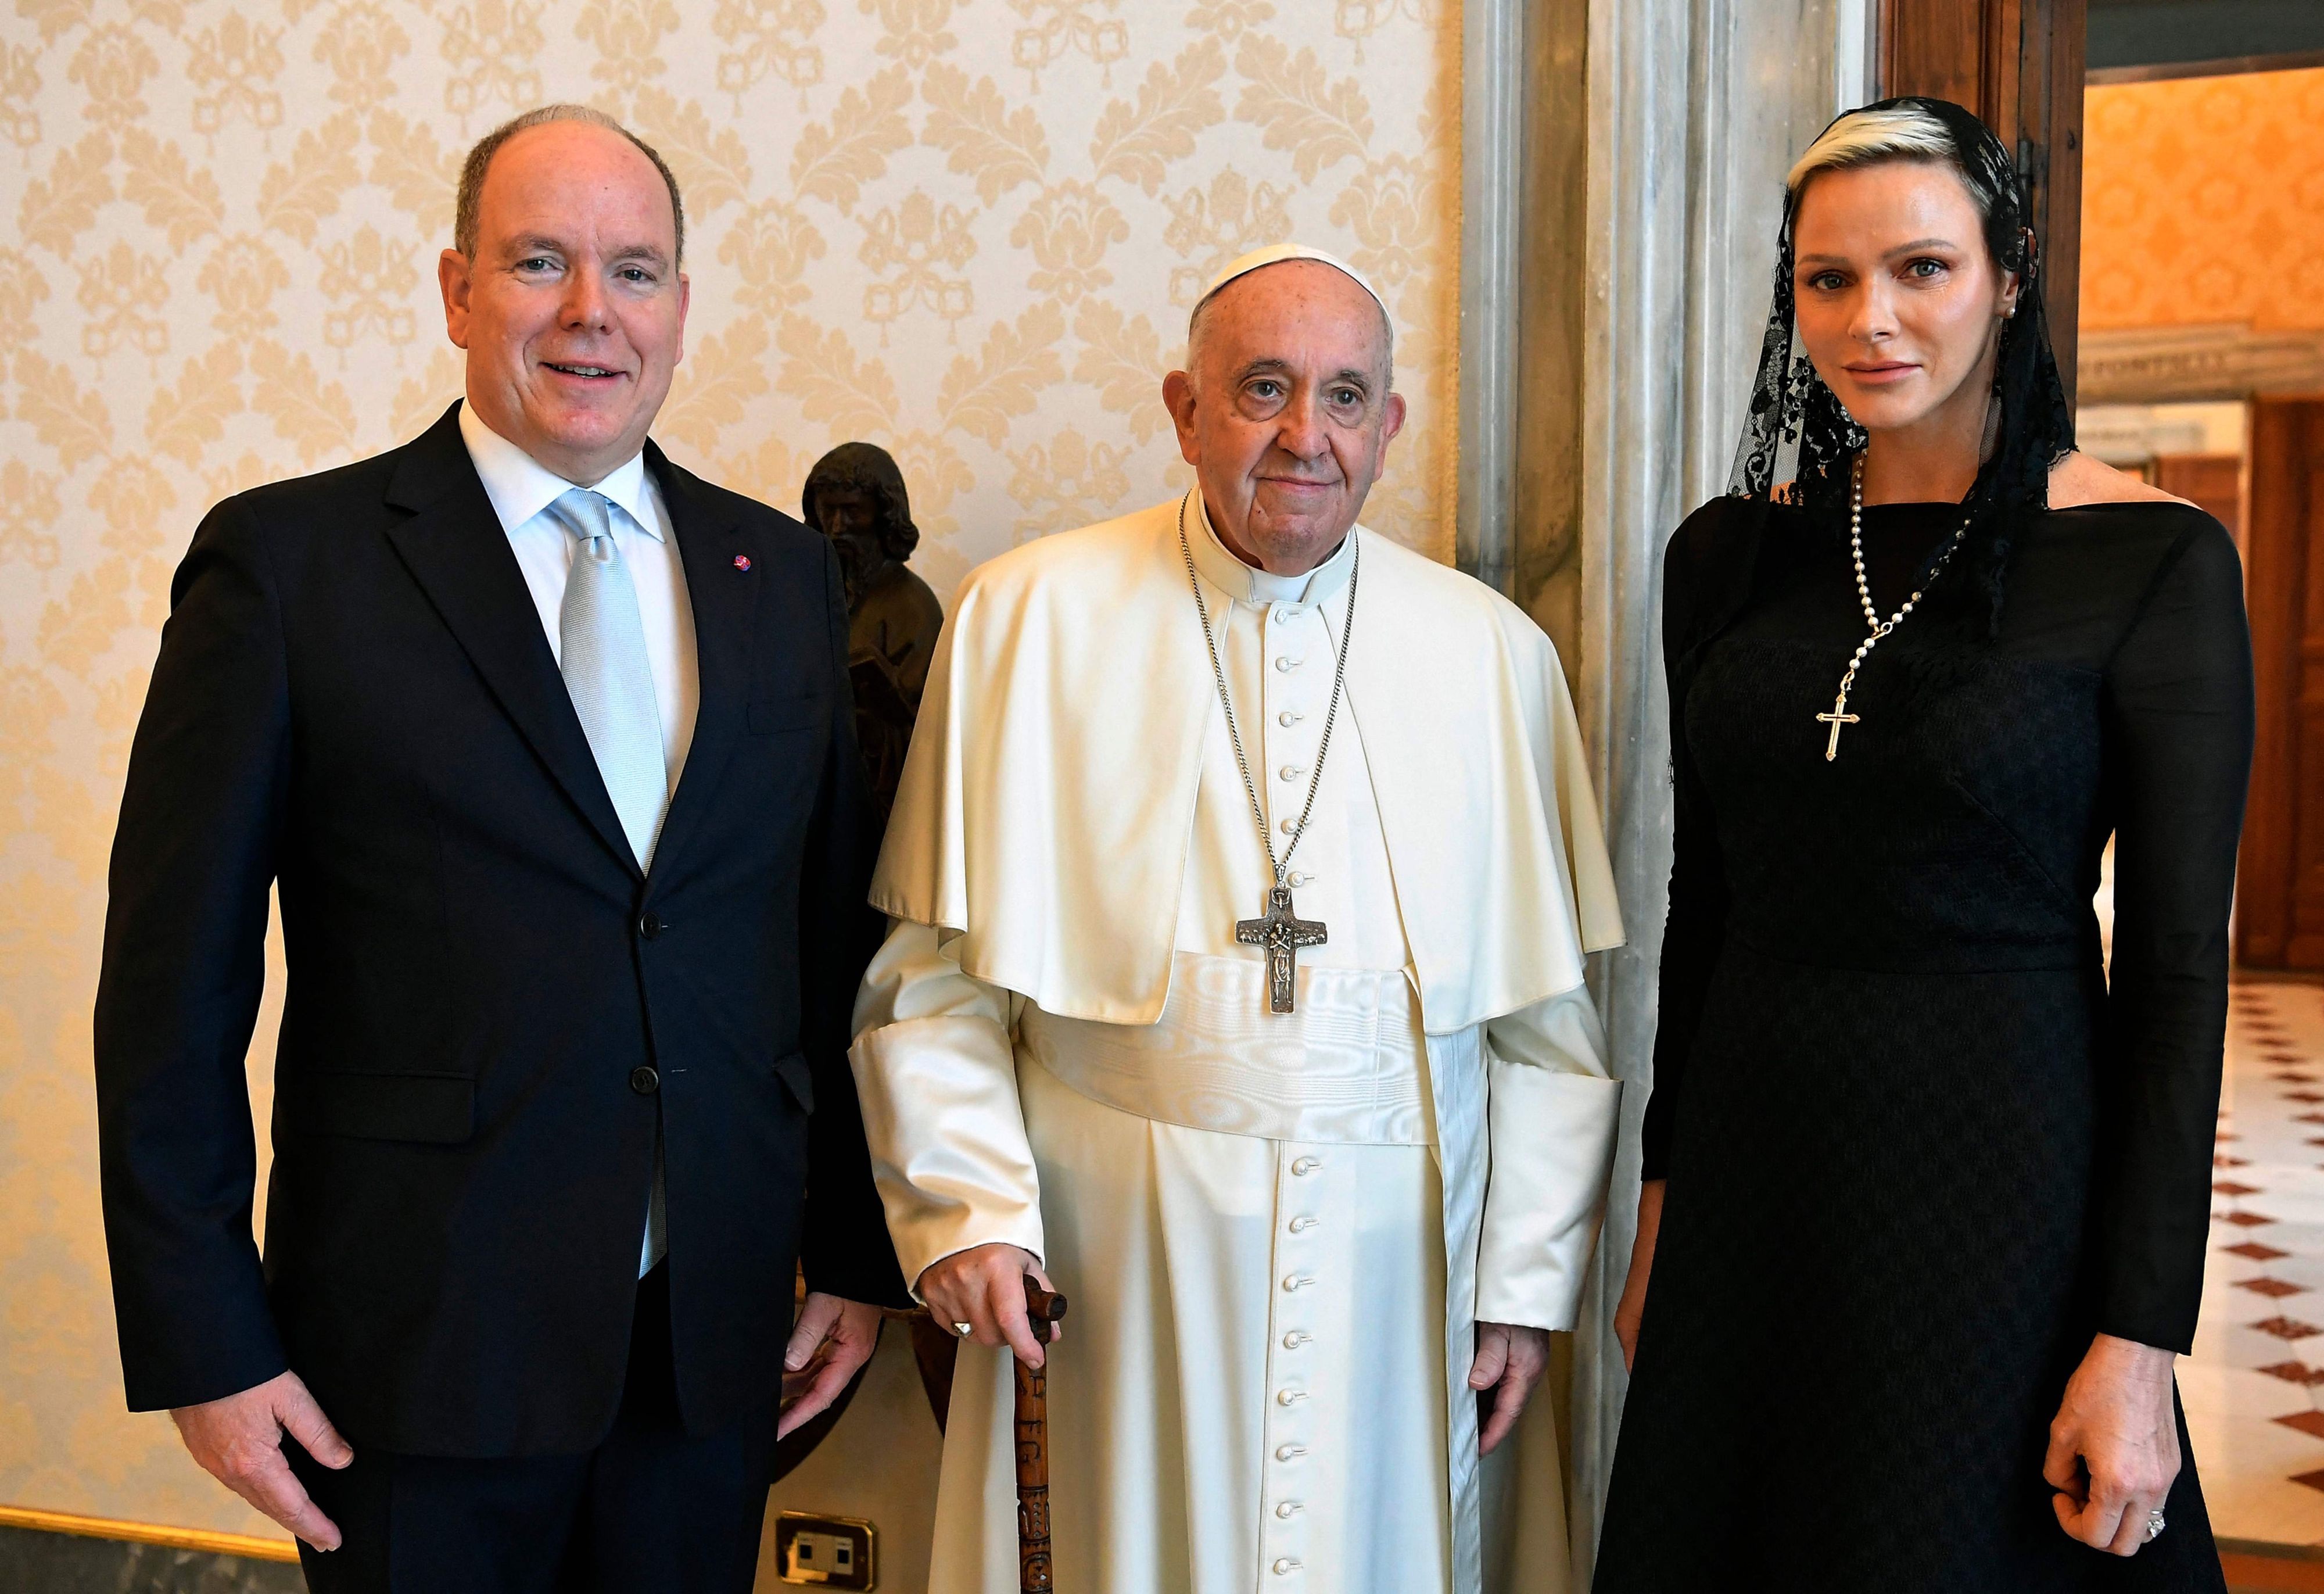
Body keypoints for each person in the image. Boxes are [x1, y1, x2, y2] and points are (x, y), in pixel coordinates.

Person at [92, 103, 904, 1592]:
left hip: (708, 1348)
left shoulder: (777, 573)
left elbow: (821, 950)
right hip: (413, 1353)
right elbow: (169, 993)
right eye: (542, 262)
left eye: (636, 271)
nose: (594, 313)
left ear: (680, 304)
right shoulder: (289, 566)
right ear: (457, 288)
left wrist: (855, 1248)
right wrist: (206, 1338)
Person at [848, 243, 1627, 1594]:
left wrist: (1521, 1277)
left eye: (1341, 396)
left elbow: (1545, 1029)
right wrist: (969, 1209)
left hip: (1401, 1281)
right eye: (1261, 388)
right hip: (1108, 1272)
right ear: (1183, 408)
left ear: (1386, 425)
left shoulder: (1493, 654)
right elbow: (934, 984)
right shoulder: (1026, 618)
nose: (1300, 435)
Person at [1594, 98, 2253, 1591]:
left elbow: (2168, 984)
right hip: (1756, 1173)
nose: (1871, 319)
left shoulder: (2150, 560)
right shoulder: (1728, 553)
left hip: (2002, 1177)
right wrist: (1661, 1217)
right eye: (1827, 280)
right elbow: (1704, 911)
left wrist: (2142, 1338)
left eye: (1920, 269)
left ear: (2006, 277)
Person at [802, 440, 946, 825]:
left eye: (851, 512)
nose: (836, 528)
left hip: (878, 806)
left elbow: (927, 728)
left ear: (883, 514)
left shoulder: (911, 605)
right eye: (828, 510)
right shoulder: (803, 594)